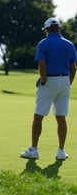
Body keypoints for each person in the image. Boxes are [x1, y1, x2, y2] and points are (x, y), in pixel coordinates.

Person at [20, 17, 77, 160]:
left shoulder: (43, 43)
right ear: (59, 29)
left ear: (46, 30)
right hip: (65, 81)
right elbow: (73, 68)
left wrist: (44, 81)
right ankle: (61, 152)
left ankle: (34, 150)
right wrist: (67, 83)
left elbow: (42, 66)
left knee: (38, 116)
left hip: (49, 80)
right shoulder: (69, 44)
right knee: (61, 117)